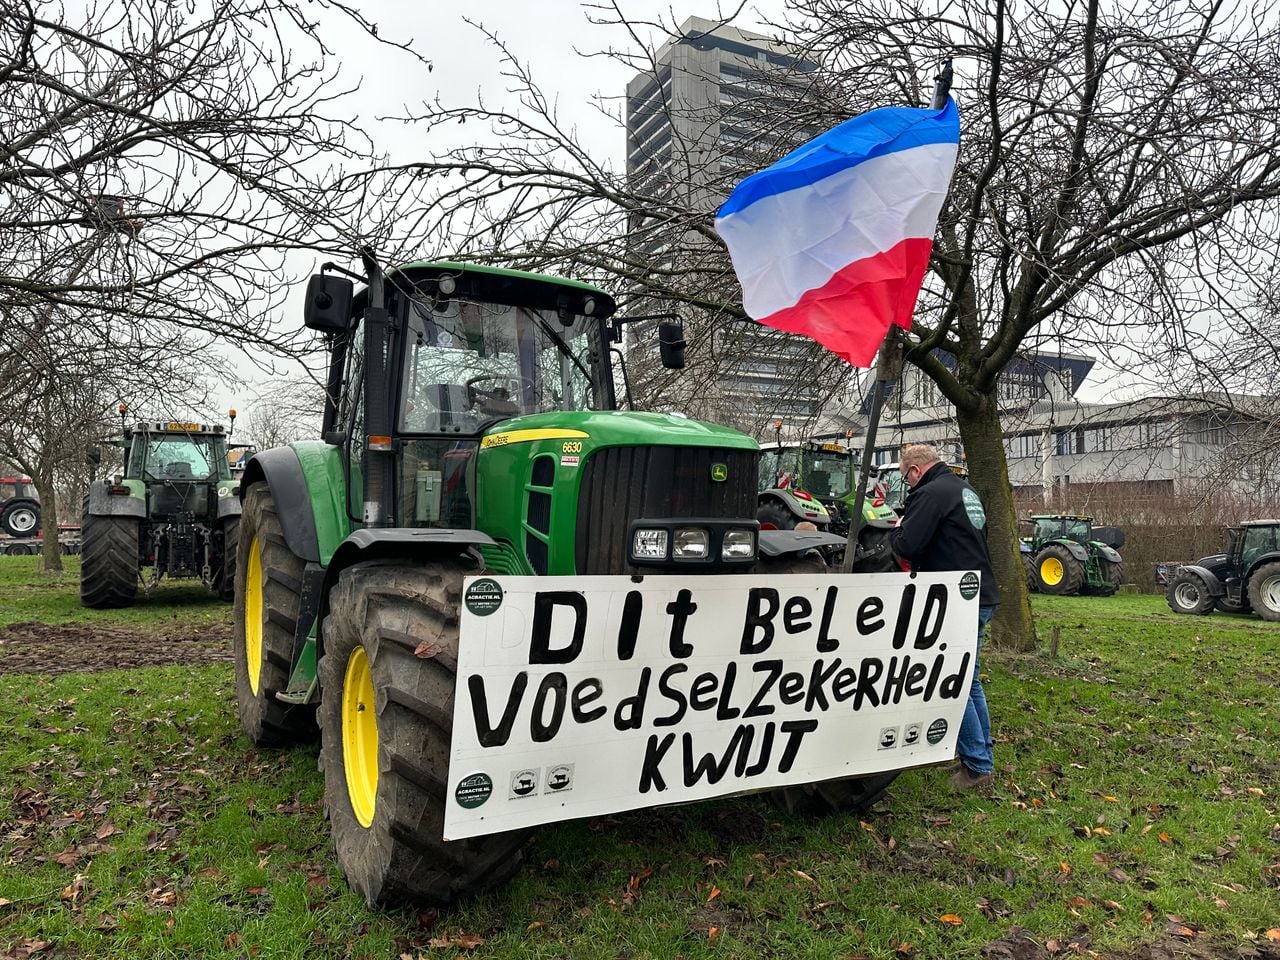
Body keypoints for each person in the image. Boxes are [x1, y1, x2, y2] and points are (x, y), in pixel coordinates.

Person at [888, 443, 1000, 791]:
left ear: (915, 471)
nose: (908, 485)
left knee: (955, 683)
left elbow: (908, 546)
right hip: (981, 592)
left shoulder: (930, 493)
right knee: (971, 680)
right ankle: (982, 753)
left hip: (956, 599)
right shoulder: (964, 490)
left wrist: (897, 528)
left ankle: (977, 767)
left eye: (907, 478)